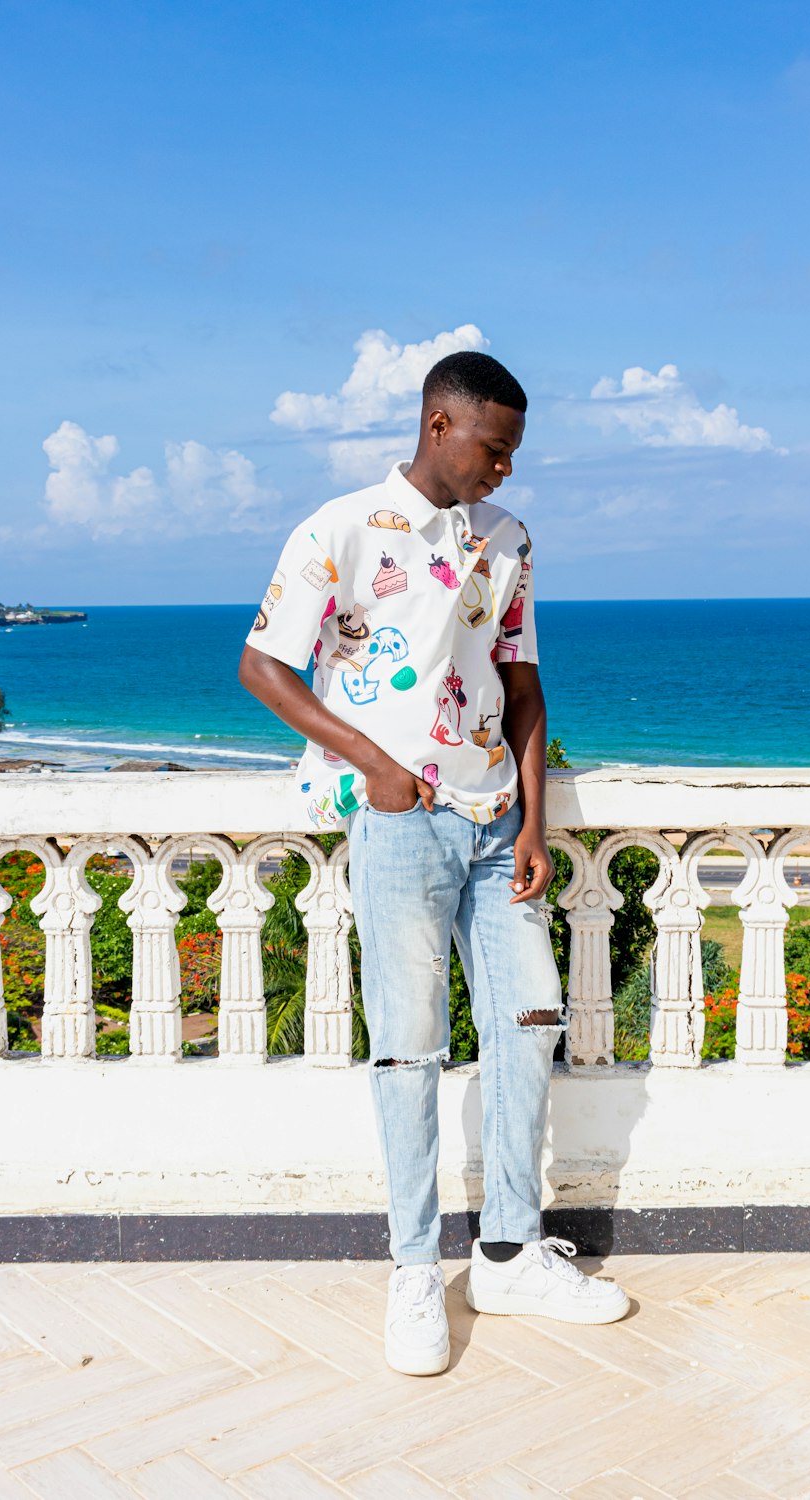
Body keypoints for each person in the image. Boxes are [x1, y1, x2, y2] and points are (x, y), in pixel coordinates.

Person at [239, 350, 629, 1376]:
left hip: (497, 822)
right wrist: (371, 762)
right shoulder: (342, 529)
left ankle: (505, 1252)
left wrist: (536, 824)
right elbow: (261, 665)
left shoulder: (509, 540)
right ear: (439, 425)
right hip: (400, 822)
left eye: (513, 454)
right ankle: (414, 1272)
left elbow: (524, 686)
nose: (504, 469)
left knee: (528, 1018)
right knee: (407, 1048)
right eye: (493, 449)